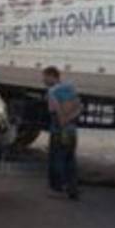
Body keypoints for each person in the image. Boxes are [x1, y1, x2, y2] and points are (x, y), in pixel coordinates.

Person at [42, 66, 81, 200]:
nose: (43, 80)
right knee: (70, 160)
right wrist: (70, 122)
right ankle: (72, 189)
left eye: (45, 77)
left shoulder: (53, 92)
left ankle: (57, 189)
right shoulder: (70, 88)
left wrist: (62, 124)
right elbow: (78, 107)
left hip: (60, 130)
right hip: (72, 130)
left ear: (53, 76)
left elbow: (58, 112)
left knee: (56, 159)